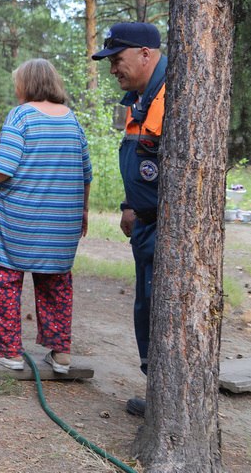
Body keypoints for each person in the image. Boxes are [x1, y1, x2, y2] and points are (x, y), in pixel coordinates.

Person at [0, 59, 91, 373]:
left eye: (17, 82)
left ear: (26, 84)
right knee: (56, 284)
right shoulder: (72, 119)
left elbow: (6, 166)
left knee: (7, 279)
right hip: (62, 224)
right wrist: (83, 211)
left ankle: (9, 351)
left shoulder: (21, 115)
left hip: (20, 219)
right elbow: (86, 172)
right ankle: (61, 353)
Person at [92, 21, 166, 418]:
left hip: (168, 230)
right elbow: (141, 162)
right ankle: (159, 391)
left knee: (162, 311)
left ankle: (168, 397)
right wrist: (128, 205)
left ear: (144, 54)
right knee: (147, 308)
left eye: (117, 60)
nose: (112, 69)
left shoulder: (176, 96)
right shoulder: (141, 98)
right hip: (145, 225)